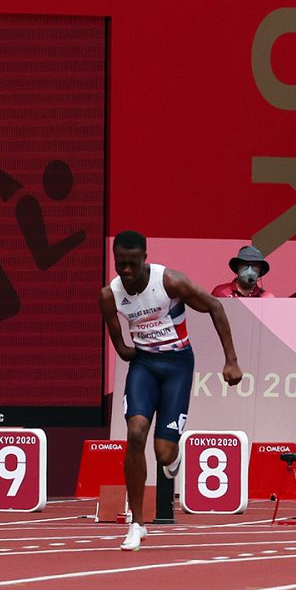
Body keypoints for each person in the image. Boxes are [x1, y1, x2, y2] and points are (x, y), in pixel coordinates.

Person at [100, 230, 243, 551]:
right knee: (135, 434)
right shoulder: (110, 294)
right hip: (145, 368)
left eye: (132, 264)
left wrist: (231, 360)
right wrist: (125, 350)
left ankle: (173, 456)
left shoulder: (170, 282)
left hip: (177, 366)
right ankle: (136, 523)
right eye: (120, 263)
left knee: (164, 452)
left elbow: (215, 307)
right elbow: (115, 331)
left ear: (144, 258)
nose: (125, 270)